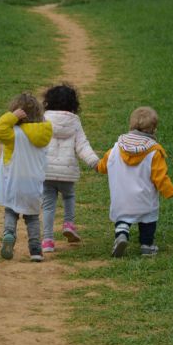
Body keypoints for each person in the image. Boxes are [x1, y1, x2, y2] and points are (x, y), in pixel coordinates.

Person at [96, 106, 173, 257]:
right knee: (148, 220)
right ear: (154, 129)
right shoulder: (154, 152)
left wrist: (97, 166)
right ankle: (147, 245)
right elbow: (159, 176)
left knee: (123, 218)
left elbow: (104, 165)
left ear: (131, 125)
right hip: (144, 199)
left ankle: (121, 234)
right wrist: (169, 191)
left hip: (122, 198)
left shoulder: (116, 148)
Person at [0, 93, 53, 262]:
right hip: (34, 185)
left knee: (11, 210)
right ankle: (35, 250)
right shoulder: (44, 132)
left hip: (14, 183)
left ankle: (9, 234)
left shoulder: (13, 135)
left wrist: (12, 117)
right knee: (32, 217)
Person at [41, 83, 99, 252]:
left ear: (48, 102)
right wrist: (95, 162)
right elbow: (82, 146)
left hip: (46, 171)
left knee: (48, 205)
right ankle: (68, 224)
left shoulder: (43, 119)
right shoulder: (75, 122)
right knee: (68, 197)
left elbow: (36, 142)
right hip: (67, 172)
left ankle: (48, 241)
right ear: (74, 104)